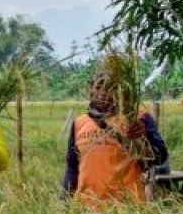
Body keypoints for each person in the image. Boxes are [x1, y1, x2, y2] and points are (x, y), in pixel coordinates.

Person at [63, 72, 169, 206]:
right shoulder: (80, 122)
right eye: (99, 87)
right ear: (91, 89)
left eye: (110, 88)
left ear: (120, 92)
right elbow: (72, 168)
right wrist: (64, 200)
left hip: (128, 207)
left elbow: (160, 157)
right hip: (87, 207)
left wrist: (145, 135)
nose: (103, 93)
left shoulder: (137, 119)